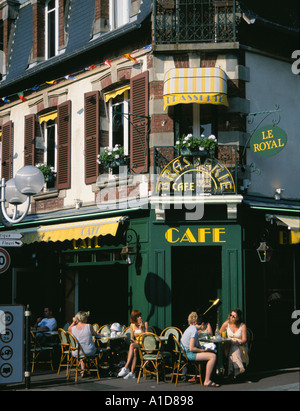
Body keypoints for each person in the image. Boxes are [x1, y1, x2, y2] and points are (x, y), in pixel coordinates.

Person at [180, 312, 219, 387]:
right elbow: (192, 348)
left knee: (211, 353)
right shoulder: (194, 331)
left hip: (185, 352)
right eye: (205, 325)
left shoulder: (192, 328)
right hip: (188, 354)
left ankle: (207, 377)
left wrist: (204, 350)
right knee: (213, 356)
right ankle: (207, 381)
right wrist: (204, 351)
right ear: (202, 324)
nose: (205, 327)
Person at [118, 310, 148, 380]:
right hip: (137, 343)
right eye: (138, 316)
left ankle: (126, 367)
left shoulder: (145, 323)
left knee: (131, 346)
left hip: (144, 343)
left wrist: (141, 329)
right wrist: (135, 342)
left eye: (140, 316)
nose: (140, 317)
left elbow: (147, 336)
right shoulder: (132, 325)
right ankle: (132, 373)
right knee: (134, 350)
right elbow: (131, 337)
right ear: (134, 318)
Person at [68, 311, 99, 377]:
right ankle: (95, 368)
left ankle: (83, 371)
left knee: (82, 354)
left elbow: (68, 329)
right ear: (85, 319)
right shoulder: (89, 326)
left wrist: (73, 322)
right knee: (95, 349)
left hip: (76, 351)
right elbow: (95, 334)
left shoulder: (72, 328)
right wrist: (98, 333)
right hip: (89, 351)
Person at [219, 308, 248, 378]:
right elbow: (218, 334)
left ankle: (231, 372)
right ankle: (239, 368)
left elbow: (244, 340)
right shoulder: (226, 324)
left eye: (233, 316)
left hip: (241, 346)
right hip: (229, 344)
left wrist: (238, 342)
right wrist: (224, 340)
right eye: (230, 315)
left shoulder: (242, 326)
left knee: (234, 347)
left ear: (238, 318)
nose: (231, 317)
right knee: (232, 345)